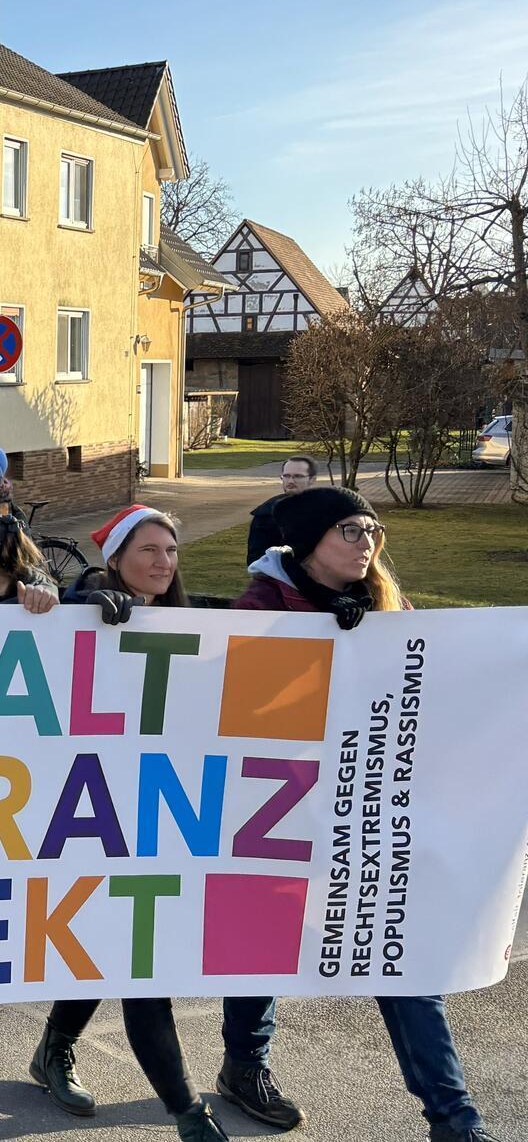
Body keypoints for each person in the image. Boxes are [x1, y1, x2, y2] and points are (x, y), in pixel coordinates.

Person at [230, 486, 491, 1142]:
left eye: (373, 529)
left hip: (369, 814)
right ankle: (245, 1065)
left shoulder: (388, 605)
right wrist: (320, 650)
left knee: (400, 959)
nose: (367, 541)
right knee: (264, 947)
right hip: (282, 812)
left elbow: (424, 692)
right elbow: (238, 707)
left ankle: (455, 1120)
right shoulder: (262, 606)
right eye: (350, 529)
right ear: (311, 543)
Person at [26, 503, 229, 1141]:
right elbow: (39, 625)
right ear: (114, 559)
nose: (164, 562)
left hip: (161, 816)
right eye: (149, 550)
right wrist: (84, 603)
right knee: (136, 962)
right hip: (88, 814)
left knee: (114, 947)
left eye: (171, 551)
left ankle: (53, 1049)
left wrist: (340, 625)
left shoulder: (191, 620)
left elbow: (264, 627)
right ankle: (188, 1114)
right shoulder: (88, 609)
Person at [244, 454, 318, 563]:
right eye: (286, 476)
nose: (291, 481)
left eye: (298, 476)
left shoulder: (328, 510)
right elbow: (256, 560)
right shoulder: (266, 514)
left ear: (312, 479)